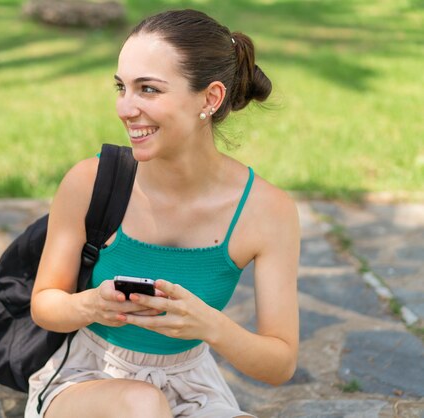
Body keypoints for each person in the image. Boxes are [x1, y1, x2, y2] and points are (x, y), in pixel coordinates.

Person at [25, 8, 300, 418]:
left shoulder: (267, 211)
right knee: (142, 405)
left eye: (148, 89)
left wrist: (208, 325)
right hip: (86, 379)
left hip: (191, 385)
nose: (124, 108)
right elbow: (45, 304)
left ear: (210, 98)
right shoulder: (90, 181)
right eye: (122, 87)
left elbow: (280, 364)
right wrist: (93, 306)